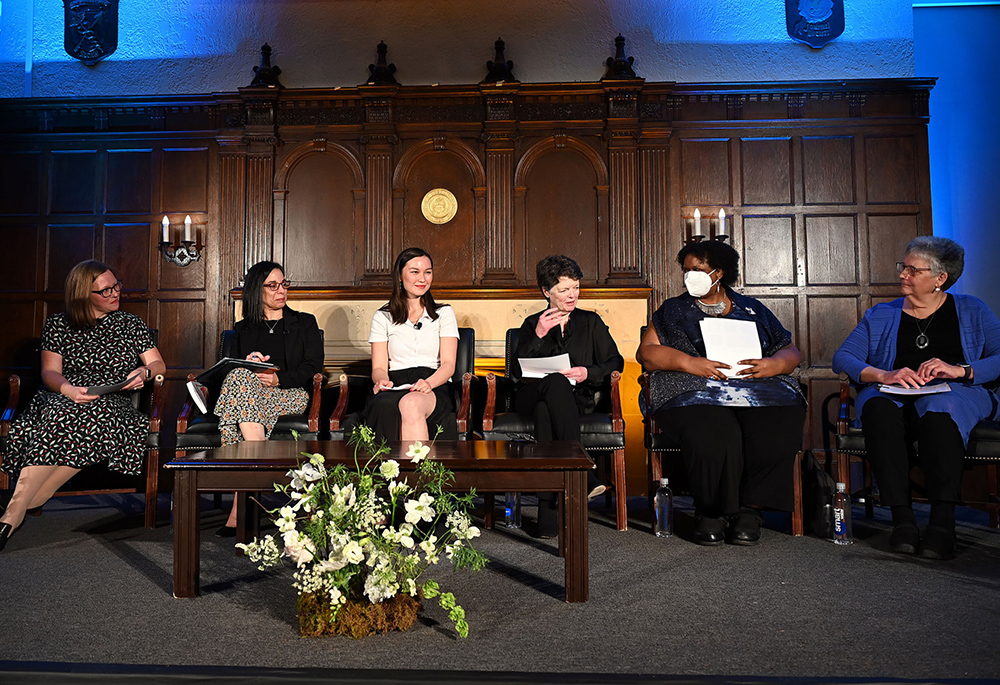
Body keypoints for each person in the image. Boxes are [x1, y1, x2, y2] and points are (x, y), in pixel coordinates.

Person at [832, 236, 1000, 560]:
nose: (902, 274)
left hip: (955, 393)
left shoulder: (972, 310)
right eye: (903, 267)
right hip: (893, 393)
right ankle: (903, 521)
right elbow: (844, 358)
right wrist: (884, 375)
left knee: (940, 412)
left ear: (940, 279)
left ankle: (942, 525)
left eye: (912, 269)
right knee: (878, 410)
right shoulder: (881, 314)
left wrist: (959, 370)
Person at [637, 240, 805, 546]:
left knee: (778, 420)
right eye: (686, 270)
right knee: (715, 427)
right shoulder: (673, 309)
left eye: (697, 270)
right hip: (693, 389)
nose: (690, 276)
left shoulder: (752, 308)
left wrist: (775, 364)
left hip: (755, 387)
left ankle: (748, 510)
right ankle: (711, 511)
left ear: (719, 273)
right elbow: (647, 353)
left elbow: (789, 349)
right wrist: (689, 363)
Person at [0, 260, 166, 552]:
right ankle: (22, 507)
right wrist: (67, 389)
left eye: (117, 285)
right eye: (106, 290)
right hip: (64, 396)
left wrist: (144, 373)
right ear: (82, 295)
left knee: (81, 415)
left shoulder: (130, 323)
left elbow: (157, 363)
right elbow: (50, 373)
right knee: (59, 412)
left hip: (111, 403)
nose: (115, 293)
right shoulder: (58, 324)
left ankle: (14, 509)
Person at [512, 255, 624, 538]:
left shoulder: (591, 322)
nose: (572, 295)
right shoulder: (530, 324)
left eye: (575, 287)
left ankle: (548, 514)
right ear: (546, 291)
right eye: (564, 290)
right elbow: (515, 371)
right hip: (529, 393)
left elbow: (615, 362)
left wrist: (587, 372)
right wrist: (539, 334)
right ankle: (582, 471)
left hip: (575, 401)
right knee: (551, 385)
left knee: (544, 412)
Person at [212, 260, 324, 535]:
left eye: (284, 284)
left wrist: (278, 379)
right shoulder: (242, 330)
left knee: (233, 409)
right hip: (252, 397)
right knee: (239, 378)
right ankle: (259, 463)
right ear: (256, 290)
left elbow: (313, 367)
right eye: (272, 285)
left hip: (292, 395)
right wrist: (247, 364)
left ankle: (241, 506)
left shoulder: (305, 323)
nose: (281, 290)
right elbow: (228, 373)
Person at [360, 247, 459, 442]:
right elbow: (379, 367)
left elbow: (449, 365)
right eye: (415, 272)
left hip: (433, 385)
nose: (422, 279)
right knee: (384, 405)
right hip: (396, 384)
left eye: (427, 272)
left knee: (412, 403)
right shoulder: (383, 317)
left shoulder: (444, 313)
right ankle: (387, 470)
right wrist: (381, 380)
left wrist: (428, 383)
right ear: (400, 276)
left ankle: (419, 472)